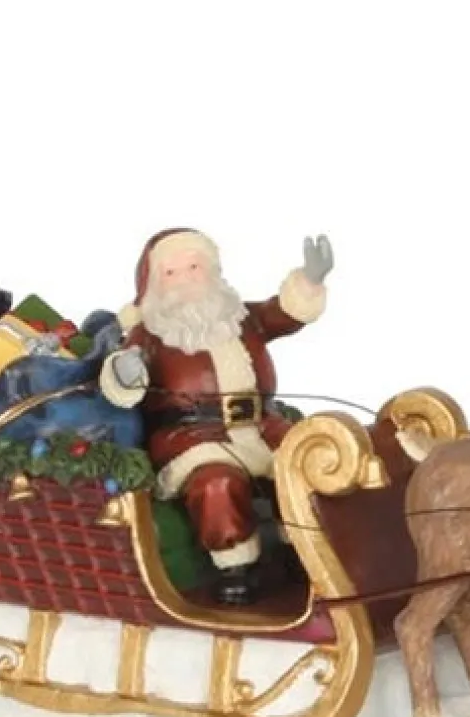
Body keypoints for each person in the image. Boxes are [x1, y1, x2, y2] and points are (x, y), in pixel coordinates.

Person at [101, 228, 335, 603]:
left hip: (261, 425)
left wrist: (310, 279)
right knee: (216, 483)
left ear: (212, 270)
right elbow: (123, 382)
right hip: (193, 437)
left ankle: (303, 550)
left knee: (304, 463)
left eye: (194, 267)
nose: (185, 279)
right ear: (154, 285)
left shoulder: (241, 318)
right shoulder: (150, 334)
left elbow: (285, 313)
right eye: (171, 273)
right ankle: (237, 567)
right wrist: (125, 371)